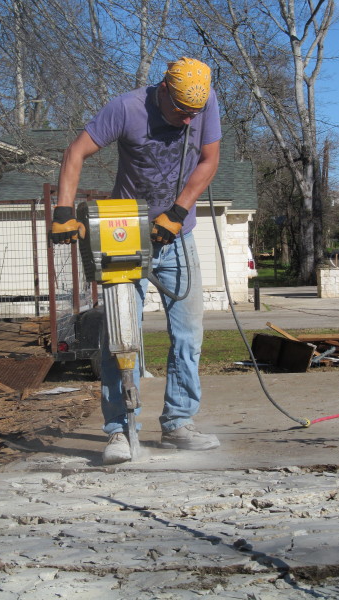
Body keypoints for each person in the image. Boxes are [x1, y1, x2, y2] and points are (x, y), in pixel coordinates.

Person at [51, 57, 222, 465]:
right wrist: (63, 210)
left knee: (188, 333)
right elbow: (76, 152)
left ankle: (179, 422)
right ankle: (121, 431)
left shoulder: (205, 101)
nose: (186, 121)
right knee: (120, 335)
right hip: (124, 231)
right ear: (163, 88)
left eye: (192, 114)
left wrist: (179, 212)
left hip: (178, 234)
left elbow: (209, 159)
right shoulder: (126, 109)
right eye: (179, 111)